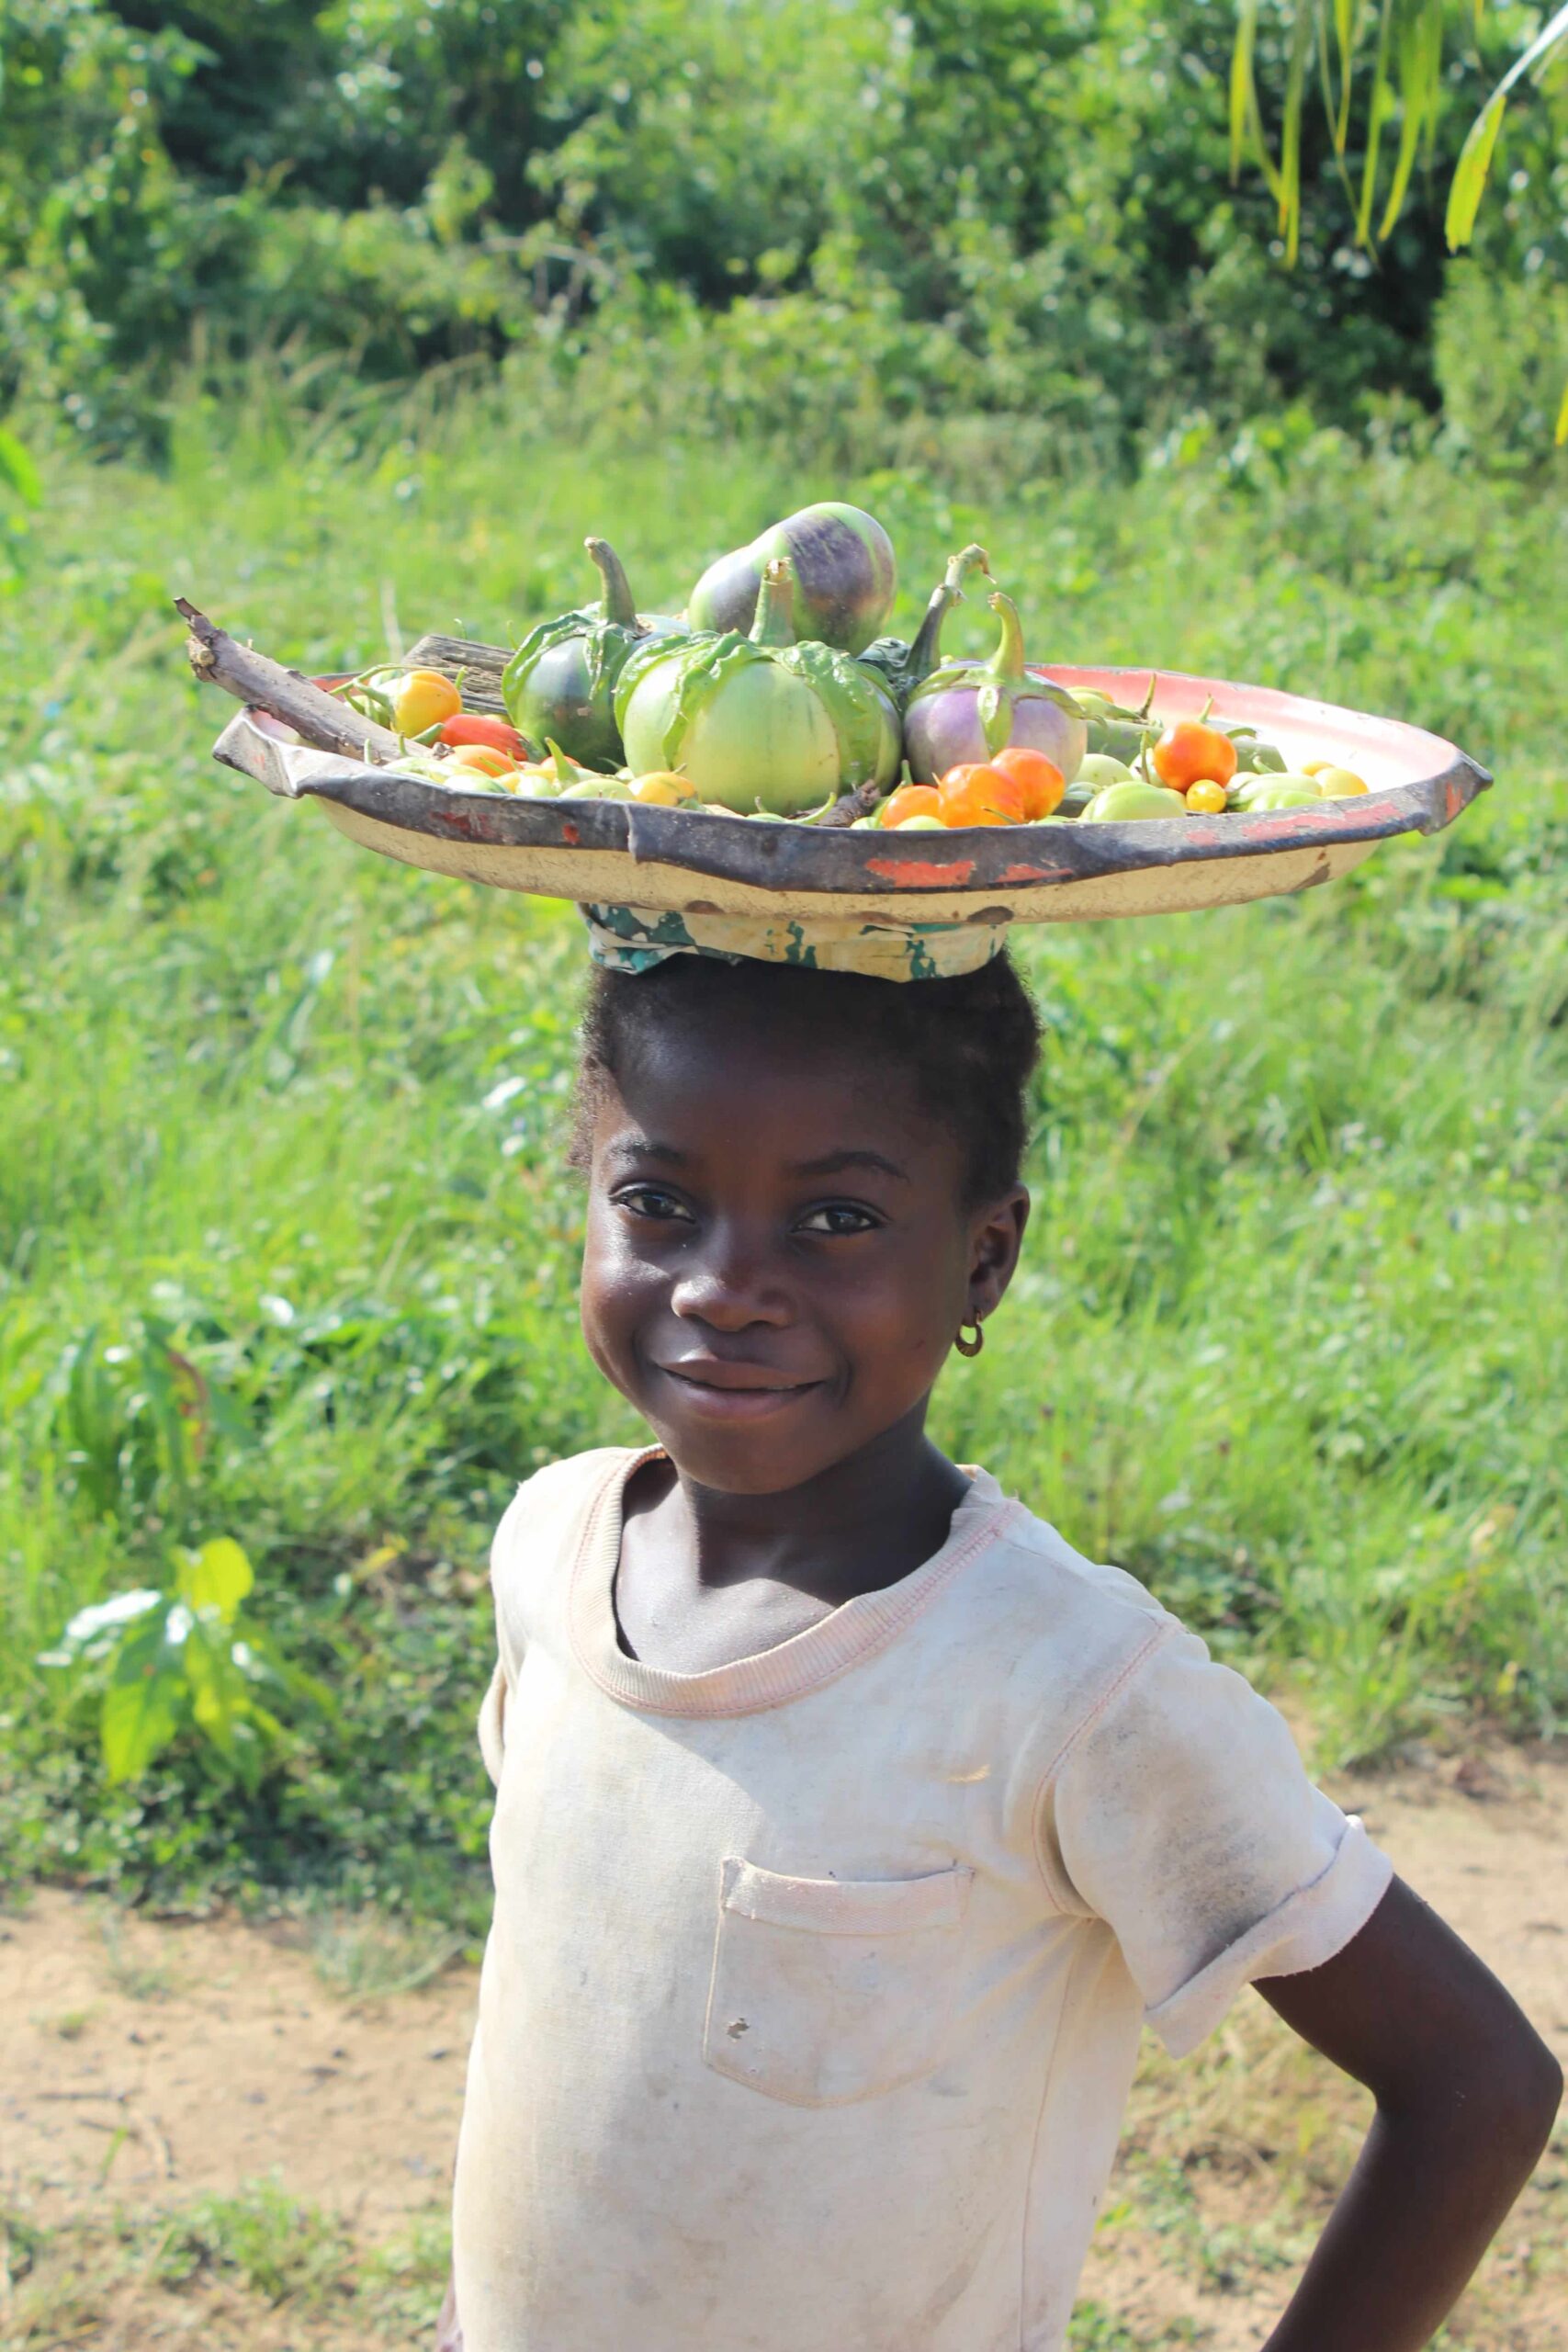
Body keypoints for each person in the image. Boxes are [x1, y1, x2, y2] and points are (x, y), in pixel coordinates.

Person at [437, 947, 1559, 2352]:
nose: (725, 1289)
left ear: (984, 1257)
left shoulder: (1068, 1685)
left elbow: (1476, 2081)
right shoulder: (552, 1546)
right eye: (658, 1203)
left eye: (834, 1218)